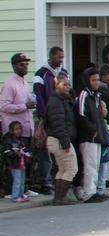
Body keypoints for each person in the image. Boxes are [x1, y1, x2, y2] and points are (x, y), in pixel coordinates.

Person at [1, 53, 39, 196]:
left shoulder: (24, 82)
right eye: (21, 64)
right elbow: (4, 106)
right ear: (14, 66)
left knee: (26, 160)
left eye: (26, 64)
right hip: (14, 132)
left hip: (27, 129)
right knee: (15, 162)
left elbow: (29, 102)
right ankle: (13, 191)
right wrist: (24, 105)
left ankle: (24, 188)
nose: (25, 66)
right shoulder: (9, 85)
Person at [32, 47, 69, 193]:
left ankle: (60, 180)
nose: (61, 60)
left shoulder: (64, 73)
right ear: (51, 56)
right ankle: (46, 182)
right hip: (47, 117)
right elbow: (39, 96)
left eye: (62, 57)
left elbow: (68, 92)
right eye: (59, 57)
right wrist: (43, 116)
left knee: (61, 149)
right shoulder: (41, 74)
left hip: (61, 116)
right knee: (45, 151)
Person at [74, 67, 109, 203]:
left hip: (97, 136)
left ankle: (94, 190)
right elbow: (81, 116)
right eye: (93, 80)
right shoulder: (84, 95)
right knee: (90, 165)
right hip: (88, 137)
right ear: (87, 81)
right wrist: (93, 129)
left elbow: (100, 116)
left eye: (98, 80)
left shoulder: (96, 95)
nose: (96, 83)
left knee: (95, 164)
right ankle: (89, 192)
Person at [43, 76, 78, 206]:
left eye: (68, 85)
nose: (67, 87)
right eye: (64, 84)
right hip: (59, 140)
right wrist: (65, 142)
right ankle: (60, 197)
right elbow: (58, 124)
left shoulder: (60, 100)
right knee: (71, 168)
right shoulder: (56, 102)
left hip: (56, 139)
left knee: (63, 169)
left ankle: (58, 198)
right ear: (56, 85)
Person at [2, 121, 32, 202]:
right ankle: (15, 197)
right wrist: (16, 154)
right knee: (17, 181)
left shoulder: (20, 140)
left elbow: (24, 149)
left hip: (22, 164)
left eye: (20, 128)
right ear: (11, 131)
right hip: (14, 164)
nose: (19, 130)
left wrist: (29, 154)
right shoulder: (8, 141)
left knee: (22, 181)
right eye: (16, 129)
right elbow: (7, 152)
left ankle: (21, 195)